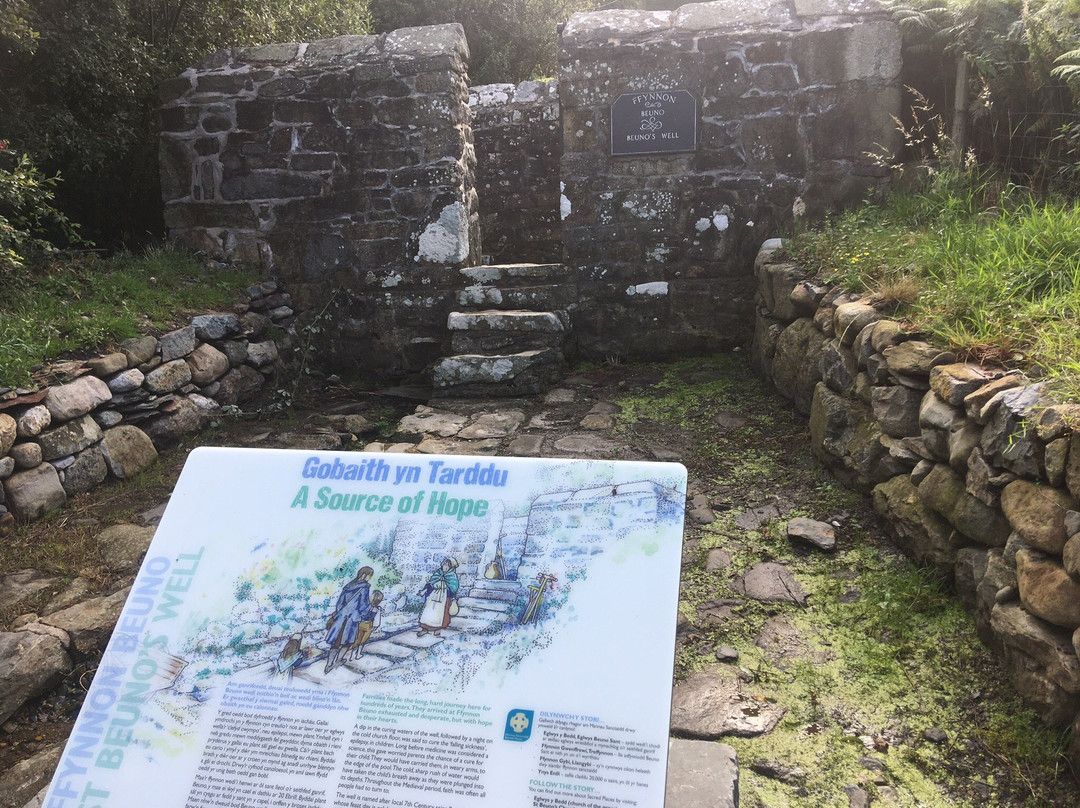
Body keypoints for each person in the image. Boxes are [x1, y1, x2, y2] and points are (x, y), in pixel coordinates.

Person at [324, 566, 374, 672]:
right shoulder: (364, 587)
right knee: (348, 642)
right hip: (352, 618)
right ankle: (338, 660)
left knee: (336, 642)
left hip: (340, 617)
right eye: (370, 575)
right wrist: (368, 611)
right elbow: (364, 606)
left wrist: (341, 613)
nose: (370, 578)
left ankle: (328, 664)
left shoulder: (348, 586)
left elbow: (339, 604)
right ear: (365, 575)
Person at [417, 557, 459, 636]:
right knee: (428, 611)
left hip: (444, 598)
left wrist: (443, 585)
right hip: (433, 596)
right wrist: (430, 587)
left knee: (440, 614)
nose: (445, 567)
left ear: (451, 568)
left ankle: (438, 628)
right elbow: (431, 582)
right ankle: (425, 628)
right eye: (444, 565)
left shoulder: (452, 576)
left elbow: (453, 587)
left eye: (448, 566)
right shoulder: (438, 573)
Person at [347, 590, 383, 661]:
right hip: (369, 625)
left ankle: (352, 655)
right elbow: (377, 620)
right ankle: (358, 654)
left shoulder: (366, 606)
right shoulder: (377, 609)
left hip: (361, 623)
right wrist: (375, 627)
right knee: (363, 641)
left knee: (357, 639)